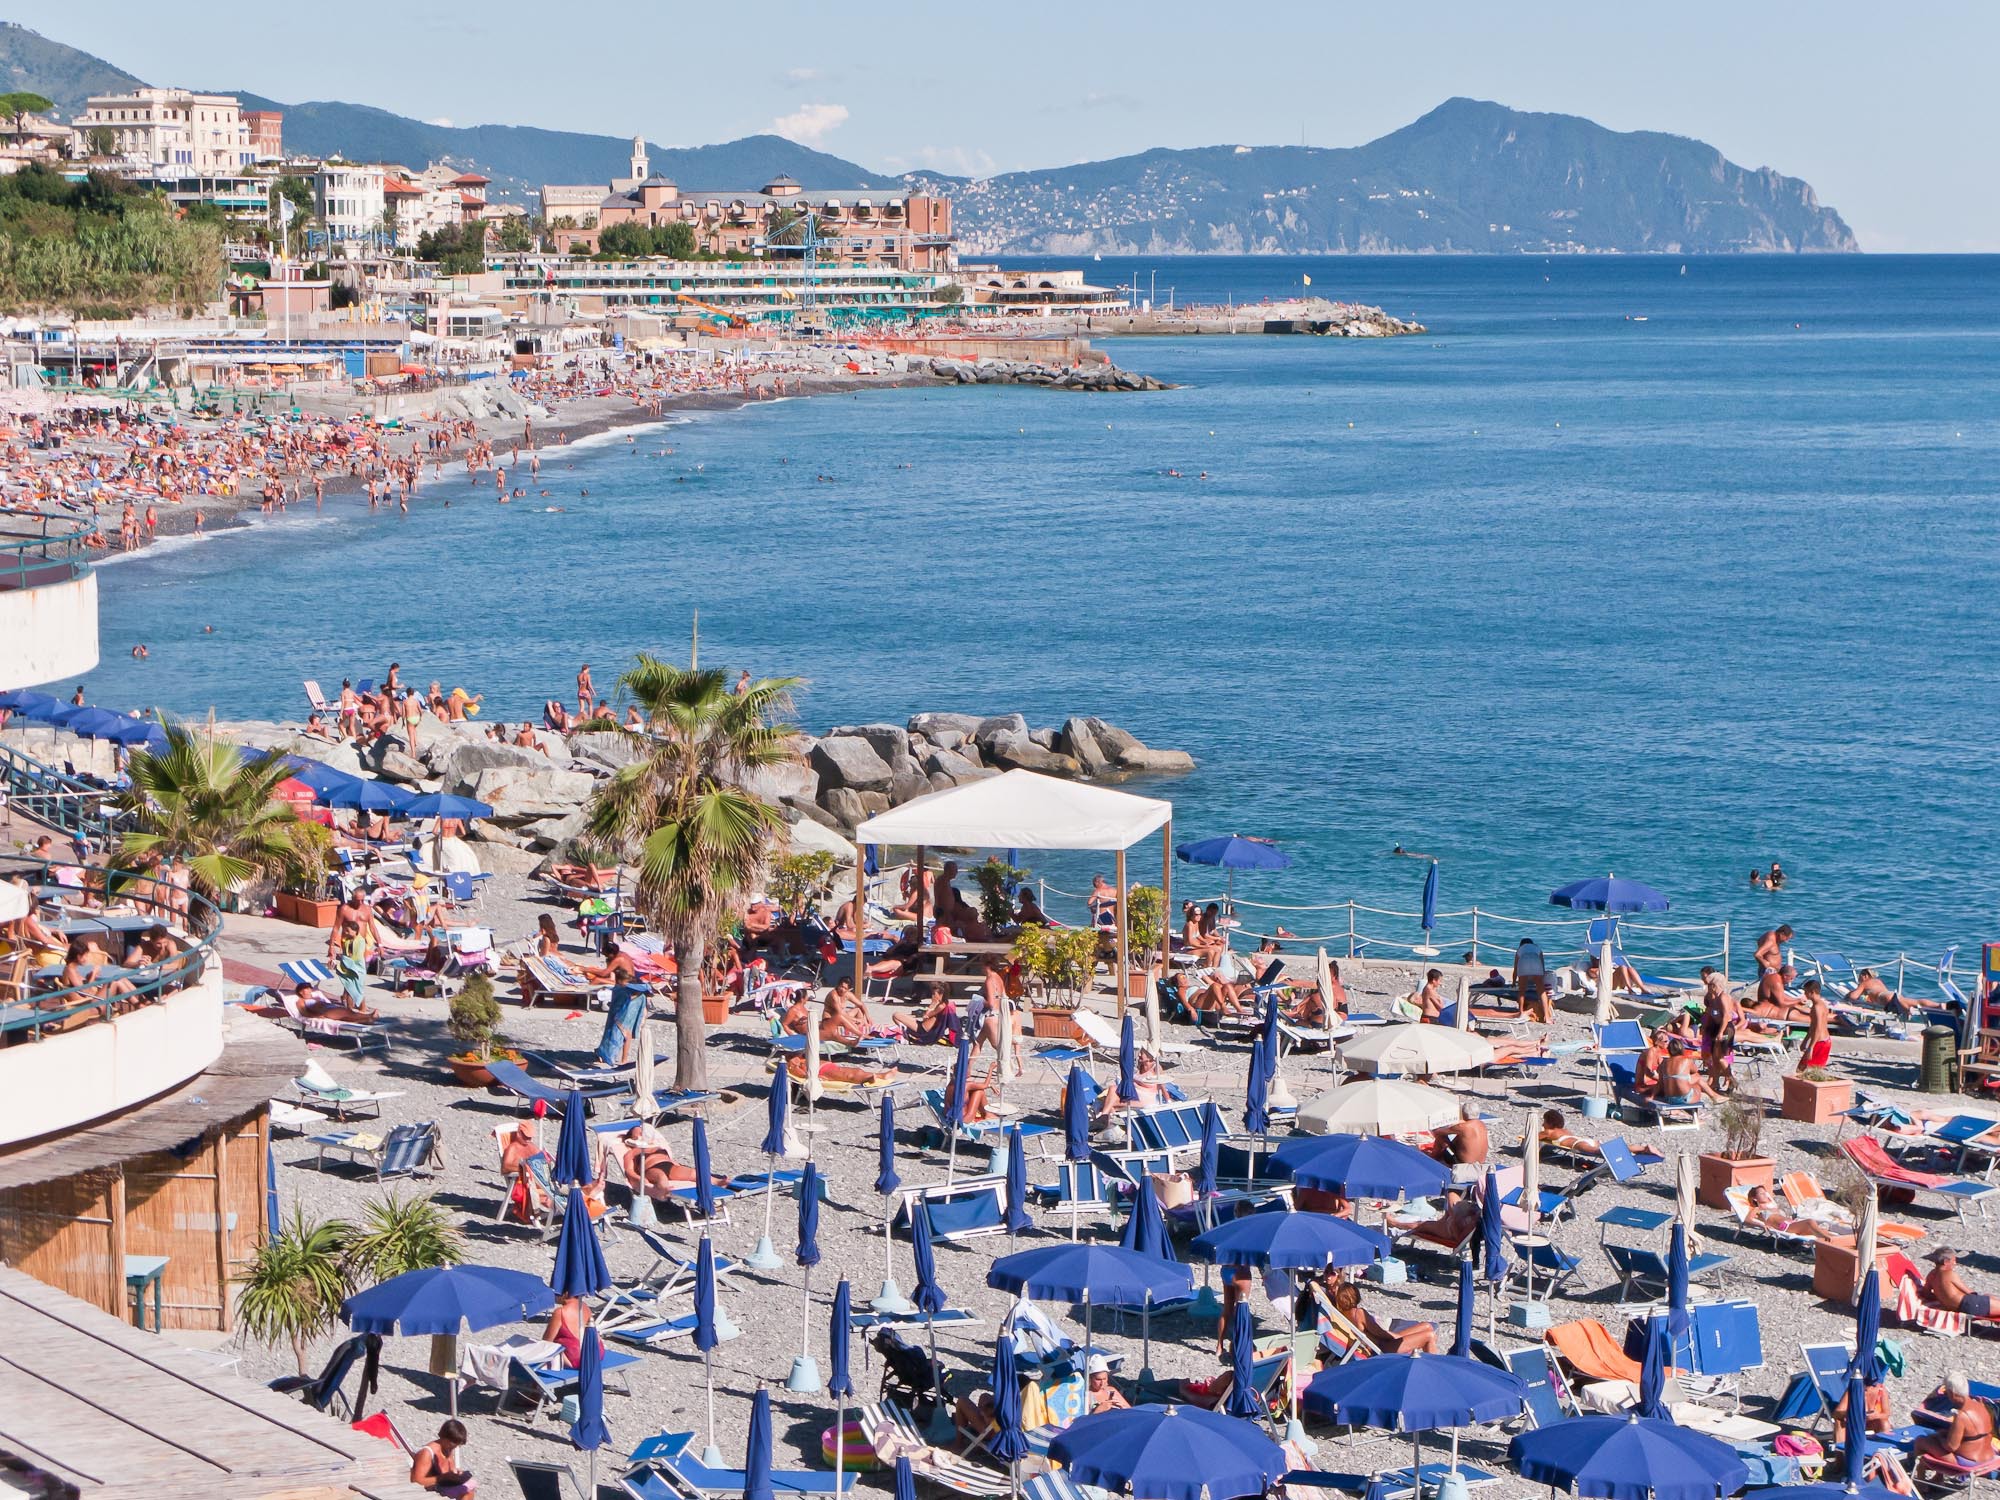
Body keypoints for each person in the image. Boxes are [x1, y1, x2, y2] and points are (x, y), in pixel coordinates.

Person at [1910, 1372, 1994, 1468]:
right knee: (1939, 1439)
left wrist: (1940, 1437)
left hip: (1969, 1461)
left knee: (1921, 1441)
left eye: (1946, 1393)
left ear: (1952, 1394)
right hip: (1988, 1456)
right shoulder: (1981, 1406)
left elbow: (1951, 1446)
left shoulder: (1961, 1416)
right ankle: (1938, 1476)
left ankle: (1920, 1475)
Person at [1333, 1281, 1438, 1355]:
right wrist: (1398, 1336)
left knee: (1427, 1326)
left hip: (1382, 1343)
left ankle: (1427, 1362)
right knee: (1429, 1336)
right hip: (1383, 1348)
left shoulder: (1342, 1314)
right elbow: (1380, 1333)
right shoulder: (1358, 1313)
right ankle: (1435, 1372)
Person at [409, 1418, 475, 1496]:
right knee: (466, 1492)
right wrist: (442, 1478)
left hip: (441, 1485)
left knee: (469, 1487)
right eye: (453, 1444)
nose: (455, 1447)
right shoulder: (427, 1453)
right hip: (428, 1490)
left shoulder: (448, 1448)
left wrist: (456, 1474)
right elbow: (416, 1481)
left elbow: (450, 1470)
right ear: (444, 1438)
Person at [1924, 1248, 1993, 1318]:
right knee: (1990, 1298)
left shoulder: (1931, 1275)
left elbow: (1926, 1293)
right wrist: (1981, 1299)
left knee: (1989, 1297)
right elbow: (1969, 1292)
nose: (1955, 1263)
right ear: (1946, 1262)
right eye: (1954, 1260)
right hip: (1968, 1305)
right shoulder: (1949, 1274)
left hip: (1955, 1307)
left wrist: (1940, 1297)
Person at [1427, 1101, 1489, 1167]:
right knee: (1460, 1138)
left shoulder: (1462, 1127)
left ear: (1463, 1114)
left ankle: (1432, 1158)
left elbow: (1438, 1132)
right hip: (1480, 1163)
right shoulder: (1482, 1125)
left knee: (1441, 1137)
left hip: (1463, 1165)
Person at [1794, 979, 1833, 1072]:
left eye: (1806, 992)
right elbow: (1813, 1026)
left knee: (1804, 1070)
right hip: (1824, 1040)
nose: (1805, 994)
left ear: (1812, 992)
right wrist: (1805, 1041)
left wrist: (1811, 1047)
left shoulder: (1817, 1007)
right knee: (1805, 1070)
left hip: (1820, 1042)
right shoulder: (1821, 1004)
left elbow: (1818, 1028)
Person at [542, 1293, 590, 1367]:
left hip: (577, 1359)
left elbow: (546, 1342)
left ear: (565, 1293)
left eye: (556, 1292)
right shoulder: (584, 1306)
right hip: (596, 1353)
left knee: (548, 1346)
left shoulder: (560, 1312)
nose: (554, 1295)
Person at [1514, 936, 1550, 1022]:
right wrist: (1540, 981)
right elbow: (1542, 966)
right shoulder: (1537, 948)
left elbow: (1515, 969)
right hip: (1536, 964)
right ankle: (1547, 1017)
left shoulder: (1520, 949)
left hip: (1523, 963)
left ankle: (1520, 1013)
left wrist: (1513, 982)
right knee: (1542, 992)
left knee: (1522, 991)